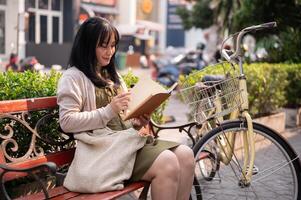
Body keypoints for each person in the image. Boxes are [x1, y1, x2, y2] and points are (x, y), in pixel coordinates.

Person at [57, 17, 195, 200]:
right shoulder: (72, 78)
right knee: (168, 163)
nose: (110, 52)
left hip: (126, 144)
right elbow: (66, 122)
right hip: (104, 152)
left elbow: (123, 122)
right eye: (103, 46)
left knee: (186, 155)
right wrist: (109, 110)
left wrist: (137, 122)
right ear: (88, 45)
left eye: (113, 45)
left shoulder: (113, 76)